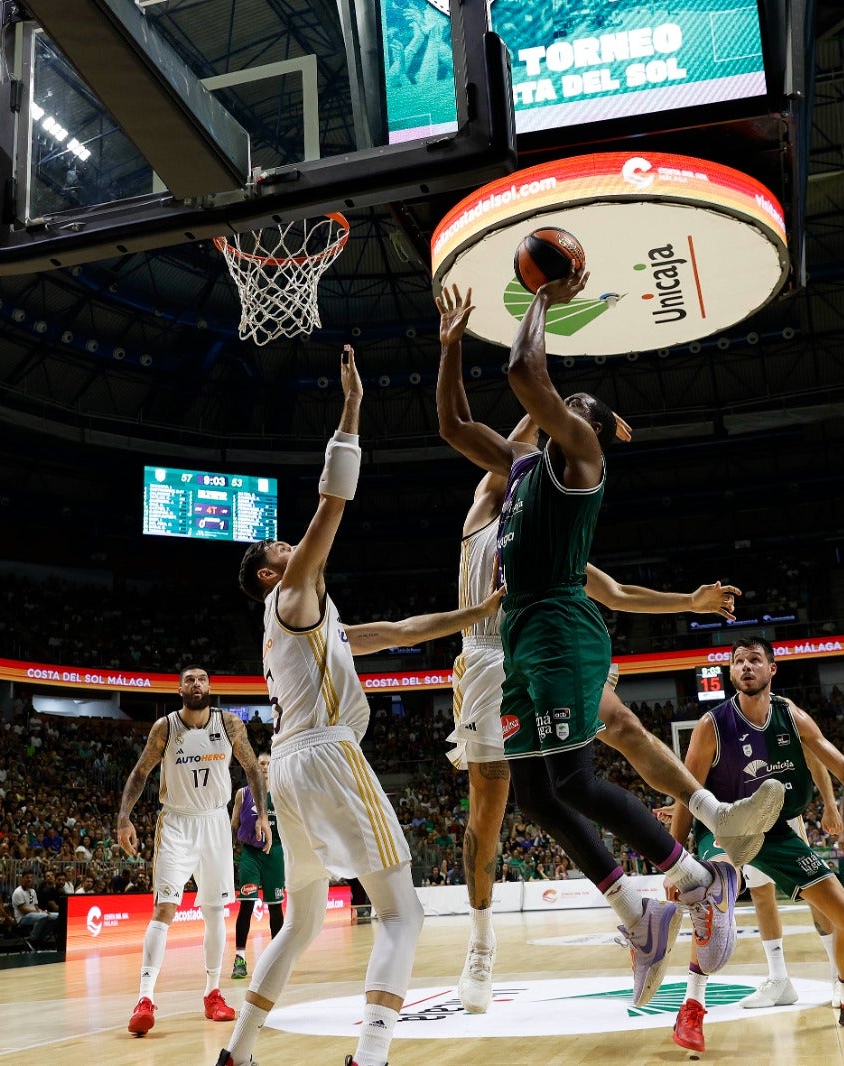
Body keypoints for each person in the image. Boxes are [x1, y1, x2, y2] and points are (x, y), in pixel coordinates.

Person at [432, 276, 757, 1010]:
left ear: (592, 429)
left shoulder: (581, 457)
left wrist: (541, 297)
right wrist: (449, 348)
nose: (564, 406)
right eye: (565, 403)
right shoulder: (519, 473)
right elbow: (453, 425)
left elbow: (524, 374)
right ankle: (642, 917)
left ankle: (699, 878)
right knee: (539, 799)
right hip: (520, 643)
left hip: (559, 633)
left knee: (579, 775)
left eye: (578, 406)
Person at [217, 346, 503, 1066]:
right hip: (325, 755)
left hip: (289, 763)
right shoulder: (291, 593)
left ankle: (237, 1053)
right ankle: (369, 1057)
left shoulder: (313, 620)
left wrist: (476, 611)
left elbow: (399, 632)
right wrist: (350, 411)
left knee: (302, 920)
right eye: (281, 545)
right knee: (403, 912)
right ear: (268, 570)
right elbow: (333, 504)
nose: (293, 544)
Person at [667, 637, 844, 1052]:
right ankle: (691, 1006)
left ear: (772, 669)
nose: (745, 667)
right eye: (738, 661)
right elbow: (685, 793)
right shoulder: (712, 725)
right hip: (723, 827)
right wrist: (673, 863)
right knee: (713, 904)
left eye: (754, 660)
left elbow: (843, 768)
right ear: (731, 672)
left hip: (776, 830)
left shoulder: (792, 716)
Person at [116, 665, 269, 1035]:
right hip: (177, 823)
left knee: (215, 911)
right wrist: (124, 817)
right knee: (164, 907)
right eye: (189, 679)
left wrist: (262, 815)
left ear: (210, 686)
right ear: (179, 689)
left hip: (215, 821)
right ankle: (145, 997)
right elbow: (140, 774)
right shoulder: (165, 727)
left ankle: (213, 991)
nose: (196, 684)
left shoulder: (230, 723)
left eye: (202, 679)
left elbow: (252, 768)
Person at [231, 751, 284, 980]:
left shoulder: (282, 794)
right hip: (250, 854)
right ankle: (240, 958)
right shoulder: (243, 794)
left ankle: (277, 959)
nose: (264, 767)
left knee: (275, 908)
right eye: (261, 763)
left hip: (275, 854)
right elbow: (233, 824)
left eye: (268, 764)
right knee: (246, 906)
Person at [12, 870, 58, 945]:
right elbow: (23, 910)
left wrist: (41, 911)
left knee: (57, 916)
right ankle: (32, 939)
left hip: (34, 915)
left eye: (31, 878)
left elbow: (36, 906)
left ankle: (41, 938)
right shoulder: (18, 892)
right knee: (44, 916)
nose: (29, 879)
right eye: (27, 877)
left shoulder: (32, 891)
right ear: (22, 878)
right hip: (22, 918)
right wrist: (40, 913)